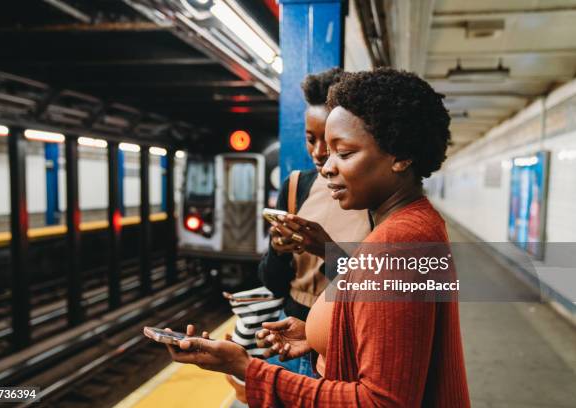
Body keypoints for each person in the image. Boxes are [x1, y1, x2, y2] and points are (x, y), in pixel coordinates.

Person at [164, 68, 471, 407]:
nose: (326, 166)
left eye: (345, 152)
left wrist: (247, 368)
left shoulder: (397, 246)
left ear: (400, 156)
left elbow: (382, 402)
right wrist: (318, 337)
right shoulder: (412, 225)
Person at [257, 67, 372, 376]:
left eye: (332, 141)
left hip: (343, 348)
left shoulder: (371, 198)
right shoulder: (296, 187)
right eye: (311, 139)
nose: (319, 153)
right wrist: (278, 250)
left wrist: (327, 250)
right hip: (289, 342)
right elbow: (274, 283)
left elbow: (378, 288)